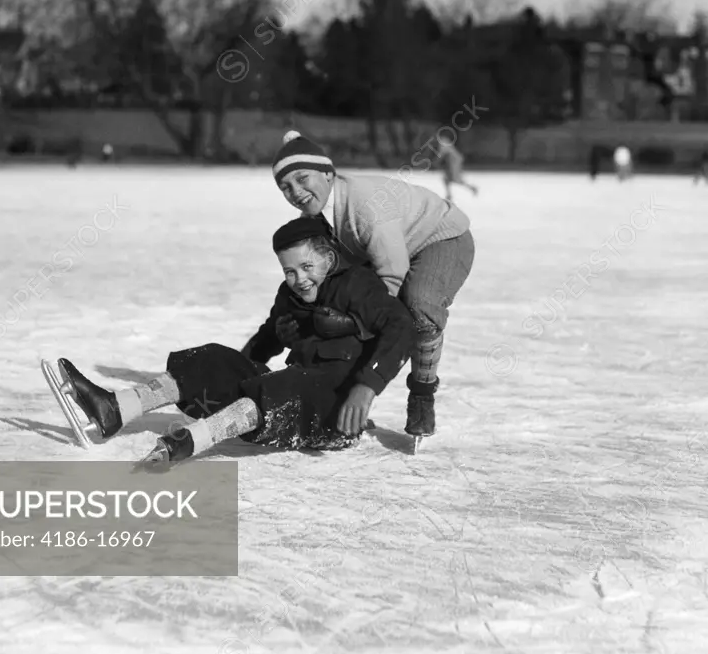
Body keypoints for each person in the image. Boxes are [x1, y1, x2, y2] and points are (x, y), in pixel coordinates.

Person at [49, 216, 416, 466]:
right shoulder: (289, 296)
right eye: (289, 271)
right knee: (213, 358)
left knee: (288, 383)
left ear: (328, 258)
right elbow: (264, 342)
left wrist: (366, 388)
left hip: (334, 415)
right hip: (291, 396)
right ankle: (116, 409)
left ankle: (188, 443)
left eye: (307, 267)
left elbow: (403, 327)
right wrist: (235, 371)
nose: (299, 279)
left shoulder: (358, 286)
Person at [271, 131, 475, 440]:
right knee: (336, 311)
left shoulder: (366, 207)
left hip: (441, 236)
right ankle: (332, 396)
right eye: (286, 186)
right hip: (389, 248)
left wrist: (357, 324)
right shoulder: (314, 224)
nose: (296, 191)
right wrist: (294, 322)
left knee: (417, 306)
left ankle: (422, 393)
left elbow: (391, 275)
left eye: (302, 179)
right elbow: (320, 284)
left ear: (327, 174)